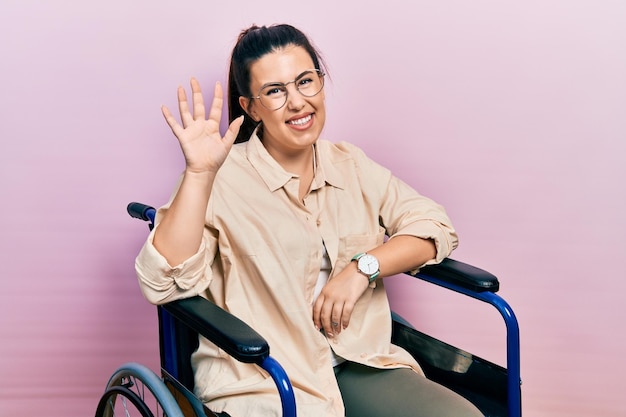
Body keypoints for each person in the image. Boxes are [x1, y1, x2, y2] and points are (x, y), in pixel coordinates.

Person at [135, 23, 484, 417]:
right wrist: (199, 174)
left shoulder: (350, 165)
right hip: (266, 379)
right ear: (250, 106)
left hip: (359, 363)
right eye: (275, 91)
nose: (298, 102)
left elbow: (433, 226)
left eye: (305, 82)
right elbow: (162, 281)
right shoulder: (221, 177)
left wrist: (362, 268)